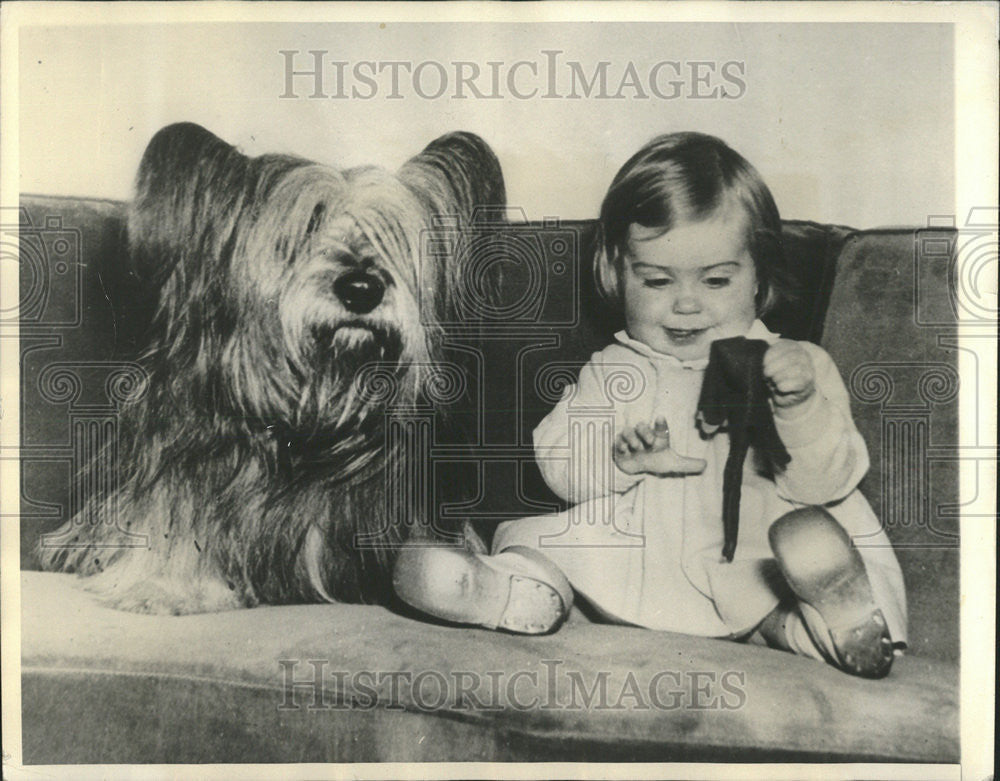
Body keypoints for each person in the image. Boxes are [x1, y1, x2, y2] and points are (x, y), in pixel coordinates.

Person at [393, 132, 906, 678]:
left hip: (758, 544)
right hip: (641, 551)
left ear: (759, 276)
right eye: (657, 280)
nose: (686, 304)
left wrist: (798, 406)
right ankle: (511, 588)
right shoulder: (616, 369)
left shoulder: (793, 364)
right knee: (549, 541)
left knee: (794, 558)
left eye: (716, 280)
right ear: (617, 273)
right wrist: (618, 461)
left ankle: (832, 612)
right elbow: (559, 464)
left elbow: (828, 480)